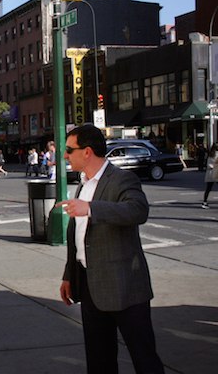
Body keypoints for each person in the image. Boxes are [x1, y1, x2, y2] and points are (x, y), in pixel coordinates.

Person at [56, 124, 164, 374]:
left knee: (144, 358)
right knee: (99, 360)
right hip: (90, 285)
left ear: (87, 152)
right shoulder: (83, 184)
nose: (64, 156)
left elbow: (138, 211)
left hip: (125, 287)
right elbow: (80, 236)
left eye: (69, 150)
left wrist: (92, 208)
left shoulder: (121, 178)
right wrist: (69, 274)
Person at [202, 142, 218, 209]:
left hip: (209, 172)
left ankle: (205, 202)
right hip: (216, 172)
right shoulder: (217, 154)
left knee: (208, 188)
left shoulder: (210, 154)